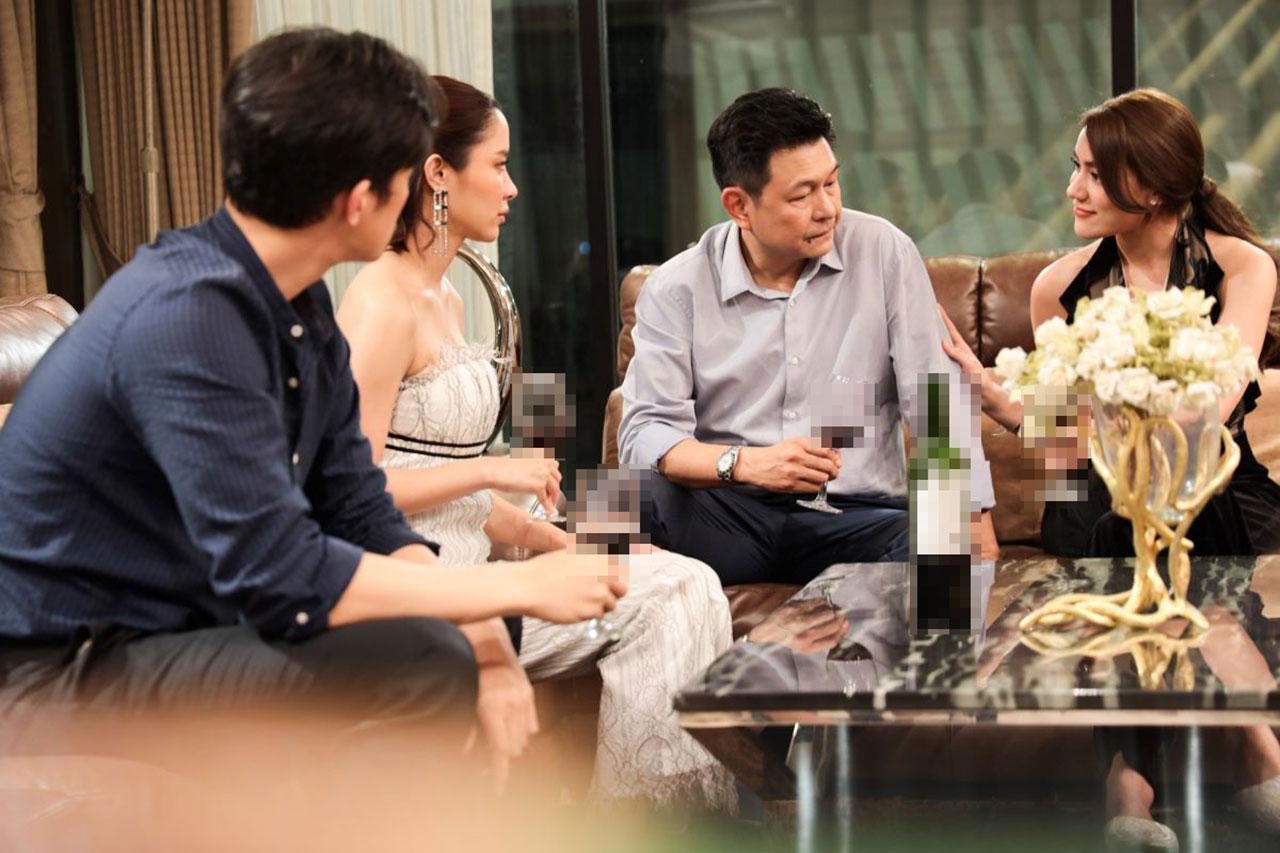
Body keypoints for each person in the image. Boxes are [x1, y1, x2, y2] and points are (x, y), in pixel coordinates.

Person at [0, 29, 623, 762]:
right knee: (422, 662)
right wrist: (510, 593)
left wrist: (485, 634)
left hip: (175, 625)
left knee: (447, 645)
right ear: (361, 199)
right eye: (407, 175)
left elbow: (357, 504)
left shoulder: (300, 303)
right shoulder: (187, 315)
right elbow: (280, 572)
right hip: (64, 668)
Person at [336, 76, 736, 809]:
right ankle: (644, 825)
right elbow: (352, 490)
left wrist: (558, 539)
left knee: (688, 577)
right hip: (428, 589)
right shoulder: (379, 304)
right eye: (498, 164)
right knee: (672, 596)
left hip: (477, 563)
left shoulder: (449, 297)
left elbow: (443, 478)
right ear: (438, 173)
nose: (513, 186)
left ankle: (677, 817)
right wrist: (492, 471)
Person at [939, 87, 1280, 847]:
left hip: (1216, 482)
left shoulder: (1241, 267)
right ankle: (1256, 749)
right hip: (1102, 490)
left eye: (1094, 174)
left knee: (1166, 522)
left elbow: (1214, 407)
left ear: (1151, 186)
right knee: (1127, 527)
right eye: (1076, 168)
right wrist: (1000, 400)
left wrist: (1131, 401)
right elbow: (1068, 439)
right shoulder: (1058, 288)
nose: (1073, 188)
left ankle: (1130, 786)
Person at [617, 87, 997, 587]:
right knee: (612, 502)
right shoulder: (676, 287)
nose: (827, 209)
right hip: (729, 512)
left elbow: (934, 402)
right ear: (739, 206)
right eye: (802, 196)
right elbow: (645, 434)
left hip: (854, 517)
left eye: (832, 184)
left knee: (938, 542)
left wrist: (972, 519)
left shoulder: (882, 252)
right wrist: (745, 464)